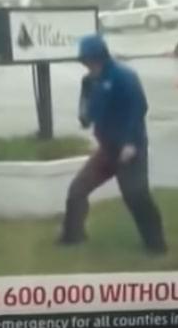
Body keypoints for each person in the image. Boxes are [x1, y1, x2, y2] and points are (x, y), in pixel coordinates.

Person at [59, 34, 167, 254]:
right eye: (85, 61)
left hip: (130, 149)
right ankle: (72, 237)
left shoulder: (124, 76)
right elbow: (85, 105)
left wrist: (129, 143)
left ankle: (156, 245)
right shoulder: (89, 80)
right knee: (77, 189)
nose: (89, 65)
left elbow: (139, 109)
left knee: (136, 195)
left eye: (91, 60)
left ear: (102, 56)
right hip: (107, 149)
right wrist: (85, 116)